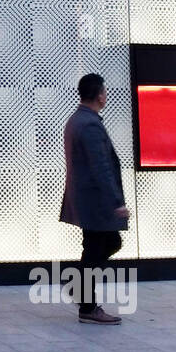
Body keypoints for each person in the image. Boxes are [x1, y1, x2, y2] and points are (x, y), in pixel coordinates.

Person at [59, 73, 130, 324]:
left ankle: (83, 299)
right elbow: (101, 167)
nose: (106, 95)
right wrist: (116, 202)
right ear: (100, 95)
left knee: (95, 247)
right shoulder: (89, 124)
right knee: (108, 243)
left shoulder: (77, 120)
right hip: (94, 202)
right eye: (105, 91)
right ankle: (82, 295)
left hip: (85, 199)